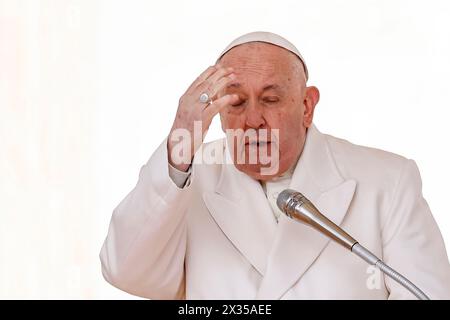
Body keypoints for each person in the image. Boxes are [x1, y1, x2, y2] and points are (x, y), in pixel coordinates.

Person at [100, 31, 450, 299]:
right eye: (236, 102)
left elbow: (427, 293)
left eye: (270, 99)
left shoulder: (387, 181)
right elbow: (126, 271)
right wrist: (178, 150)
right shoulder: (189, 180)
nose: (253, 119)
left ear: (307, 106)